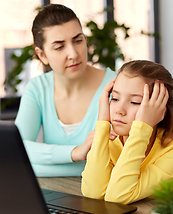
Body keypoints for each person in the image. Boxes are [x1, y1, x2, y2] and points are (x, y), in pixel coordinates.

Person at [81, 60, 173, 210]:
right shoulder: (111, 142)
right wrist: (102, 124)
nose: (119, 110)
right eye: (114, 98)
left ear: (159, 110)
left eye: (134, 102)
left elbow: (117, 197)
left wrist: (142, 128)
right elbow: (92, 193)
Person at [14, 4, 117, 177]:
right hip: (54, 193)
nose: (74, 54)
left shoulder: (116, 87)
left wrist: (35, 168)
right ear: (42, 55)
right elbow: (17, 149)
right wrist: (75, 153)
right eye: (59, 47)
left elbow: (114, 162)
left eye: (78, 41)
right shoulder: (38, 88)